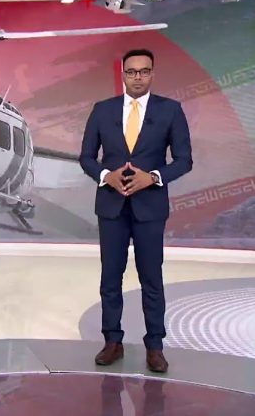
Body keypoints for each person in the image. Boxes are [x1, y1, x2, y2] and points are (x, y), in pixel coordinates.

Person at [79, 49, 193, 373]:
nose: (138, 77)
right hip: (111, 207)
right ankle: (112, 341)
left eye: (144, 71)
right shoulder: (103, 110)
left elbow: (184, 160)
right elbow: (87, 157)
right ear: (123, 74)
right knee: (110, 278)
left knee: (151, 278)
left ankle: (155, 346)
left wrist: (152, 178)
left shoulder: (170, 110)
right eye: (131, 72)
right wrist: (107, 176)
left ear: (152, 73)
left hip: (150, 207)